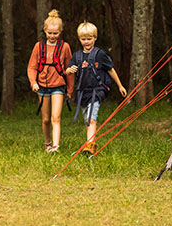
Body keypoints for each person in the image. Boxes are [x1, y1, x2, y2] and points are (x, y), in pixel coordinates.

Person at [65, 22, 127, 157]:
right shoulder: (77, 56)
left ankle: (89, 146)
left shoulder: (100, 54)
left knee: (91, 120)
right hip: (82, 93)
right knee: (87, 121)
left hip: (97, 92)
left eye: (89, 39)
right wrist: (69, 70)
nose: (86, 42)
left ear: (95, 38)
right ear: (79, 39)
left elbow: (110, 69)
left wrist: (120, 85)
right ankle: (90, 145)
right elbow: (67, 71)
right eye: (83, 39)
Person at [26, 9, 75, 153]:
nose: (52, 36)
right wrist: (33, 82)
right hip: (42, 86)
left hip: (58, 87)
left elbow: (70, 70)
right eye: (50, 33)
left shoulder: (65, 47)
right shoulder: (38, 47)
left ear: (60, 32)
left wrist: (70, 90)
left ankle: (56, 146)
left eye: (56, 33)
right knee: (46, 119)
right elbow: (32, 67)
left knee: (56, 117)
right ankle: (47, 143)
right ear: (45, 31)